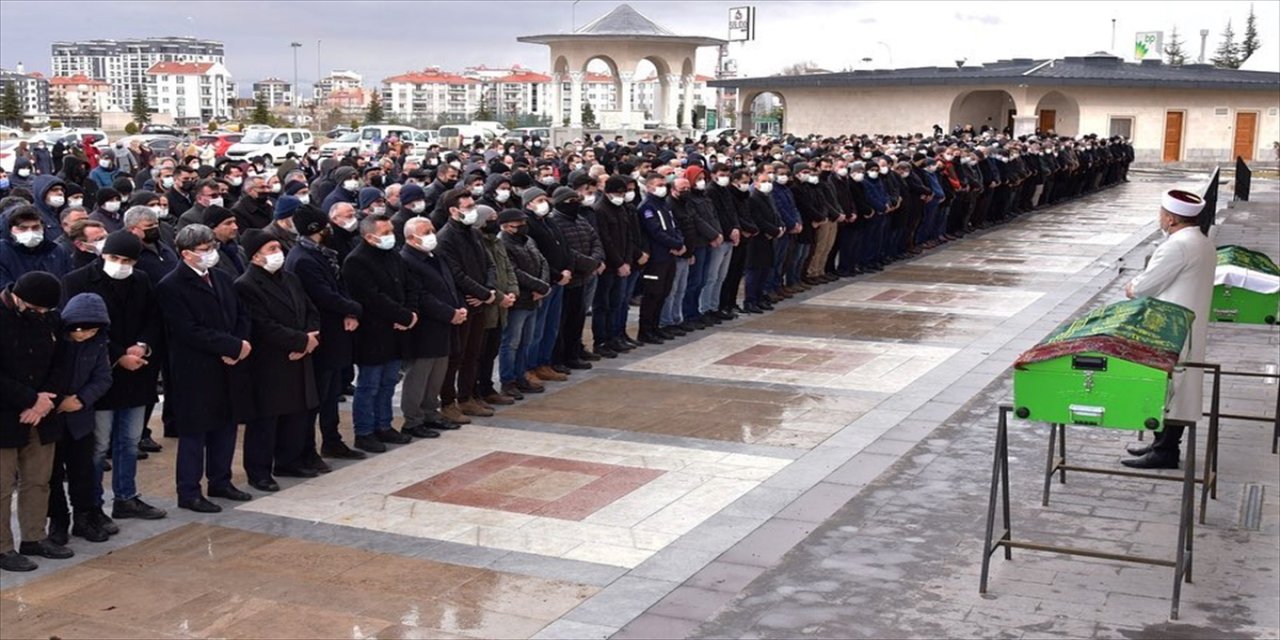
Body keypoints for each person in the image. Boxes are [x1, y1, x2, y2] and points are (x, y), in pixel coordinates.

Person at [61, 230, 167, 532]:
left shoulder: (141, 280)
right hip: (101, 373)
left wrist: (143, 345)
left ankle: (126, 496)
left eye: (127, 260)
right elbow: (80, 328)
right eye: (115, 258)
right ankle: (92, 504)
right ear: (102, 255)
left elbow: (153, 318)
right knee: (99, 445)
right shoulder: (78, 281)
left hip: (137, 372)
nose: (120, 264)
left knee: (130, 441)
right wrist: (120, 354)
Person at [155, 224, 254, 512]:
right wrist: (230, 346)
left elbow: (241, 313)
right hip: (196, 369)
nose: (212, 253)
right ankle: (189, 491)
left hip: (229, 364)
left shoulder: (221, 277)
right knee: (195, 433)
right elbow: (187, 330)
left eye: (213, 247)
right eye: (205, 249)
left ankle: (220, 480)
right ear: (186, 254)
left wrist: (241, 343)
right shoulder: (170, 286)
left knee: (226, 426)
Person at [1122, 190, 1217, 470]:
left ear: (1172, 218)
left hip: (1171, 326)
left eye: (1162, 213)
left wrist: (1132, 287)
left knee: (1172, 386)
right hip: (1185, 322)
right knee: (1175, 386)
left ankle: (1166, 451)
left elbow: (1144, 286)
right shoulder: (1200, 240)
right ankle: (1160, 443)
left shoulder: (1177, 245)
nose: (1160, 217)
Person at [234, 229, 321, 492]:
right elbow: (262, 325)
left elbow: (310, 310)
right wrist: (300, 342)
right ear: (255, 256)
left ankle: (289, 460)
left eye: (277, 248)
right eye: (271, 249)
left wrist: (310, 338)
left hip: (299, 354)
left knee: (295, 413)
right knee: (266, 419)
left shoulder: (290, 278)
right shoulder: (246, 285)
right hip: (270, 360)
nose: (278, 253)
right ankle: (259, 471)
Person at [0, 272, 73, 572]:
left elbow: (62, 361)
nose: (41, 315)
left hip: (42, 412)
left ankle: (33, 537)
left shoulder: (49, 318)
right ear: (18, 297)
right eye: (36, 308)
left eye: (46, 310)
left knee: (38, 480)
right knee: (2, 487)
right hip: (6, 413)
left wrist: (45, 402)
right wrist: (30, 399)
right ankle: (3, 548)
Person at [283, 205, 365, 462]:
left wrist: (350, 311)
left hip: (336, 333)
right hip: (322, 335)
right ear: (316, 230)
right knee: (317, 397)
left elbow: (339, 285)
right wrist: (354, 308)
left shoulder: (322, 253)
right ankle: (307, 449)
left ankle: (332, 440)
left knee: (330, 395)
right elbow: (323, 295)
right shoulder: (303, 259)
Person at [45, 292, 115, 545]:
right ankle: (58, 520)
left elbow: (103, 378)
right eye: (80, 329)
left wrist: (82, 399)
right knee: (51, 475)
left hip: (80, 418)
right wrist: (56, 401)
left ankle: (83, 518)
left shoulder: (98, 344)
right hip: (51, 418)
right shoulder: (52, 339)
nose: (84, 334)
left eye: (91, 330)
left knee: (82, 472)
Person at [341, 213, 416, 453]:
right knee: (369, 384)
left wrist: (410, 313)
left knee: (389, 381)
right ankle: (364, 431)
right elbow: (372, 297)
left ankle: (384, 424)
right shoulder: (357, 261)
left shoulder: (393, 255)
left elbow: (409, 284)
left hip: (397, 329)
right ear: (369, 236)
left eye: (391, 231)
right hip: (372, 332)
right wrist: (402, 316)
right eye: (385, 233)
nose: (390, 237)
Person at [399, 216, 466, 435]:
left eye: (432, 230)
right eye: (425, 232)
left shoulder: (435, 256)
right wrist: (450, 313)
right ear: (411, 237)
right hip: (425, 326)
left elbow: (450, 284)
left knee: (438, 372)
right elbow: (422, 296)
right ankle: (413, 419)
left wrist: (459, 308)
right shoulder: (407, 260)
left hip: (445, 323)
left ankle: (431, 413)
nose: (431, 235)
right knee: (419, 375)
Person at [435, 188, 498, 420]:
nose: (473, 211)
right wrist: (482, 293)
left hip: (479, 301)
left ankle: (468, 396)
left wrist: (488, 291)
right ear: (453, 210)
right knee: (456, 355)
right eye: (468, 207)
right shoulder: (445, 237)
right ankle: (449, 401)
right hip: (462, 302)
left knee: (474, 353)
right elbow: (456, 274)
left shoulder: (474, 233)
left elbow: (489, 264)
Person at [497, 208, 550, 398]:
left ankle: (521, 376)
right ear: (506, 227)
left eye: (523, 224)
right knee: (511, 342)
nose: (523, 228)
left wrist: (542, 286)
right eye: (518, 225)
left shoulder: (528, 240)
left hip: (533, 298)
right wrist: (538, 286)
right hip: (519, 299)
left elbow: (542, 261)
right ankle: (507, 380)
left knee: (526, 341)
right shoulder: (503, 243)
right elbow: (514, 272)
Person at [549, 186, 604, 368]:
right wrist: (591, 263)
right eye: (570, 201)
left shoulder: (580, 219)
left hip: (583, 277)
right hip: (568, 278)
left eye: (576, 201)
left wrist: (595, 260)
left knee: (577, 318)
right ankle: (560, 357)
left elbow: (595, 239)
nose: (575, 204)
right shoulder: (554, 221)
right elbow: (566, 251)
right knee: (562, 321)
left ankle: (574, 352)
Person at [638, 172, 685, 343]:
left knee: (664, 292)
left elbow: (674, 226)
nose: (662, 188)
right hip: (656, 257)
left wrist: (679, 242)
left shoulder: (664, 205)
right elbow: (655, 231)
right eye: (658, 185)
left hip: (669, 256)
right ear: (649, 187)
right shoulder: (647, 207)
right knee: (652, 293)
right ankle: (646, 330)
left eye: (663, 185)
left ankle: (655, 327)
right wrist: (675, 244)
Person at [0, 205, 74, 288]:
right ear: (11, 230)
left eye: (35, 227)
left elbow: (68, 283)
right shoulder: (3, 252)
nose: (30, 232)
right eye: (23, 228)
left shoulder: (57, 251)